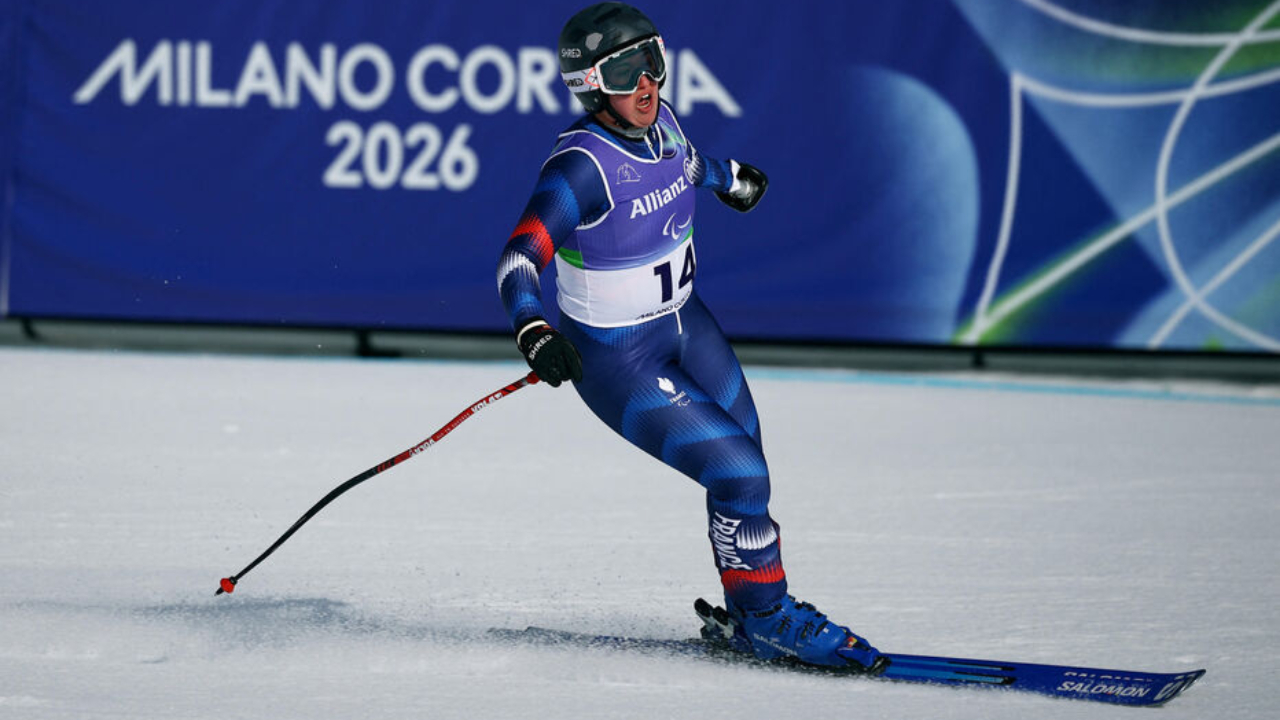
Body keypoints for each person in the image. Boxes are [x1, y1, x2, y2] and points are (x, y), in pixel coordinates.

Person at [496, 1, 882, 671]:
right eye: (624, 69)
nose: (646, 82)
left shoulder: (662, 123)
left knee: (747, 466)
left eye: (651, 60)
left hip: (687, 323)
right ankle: (767, 618)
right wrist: (534, 329)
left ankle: (748, 607)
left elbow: (686, 162)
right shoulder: (580, 168)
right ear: (591, 84)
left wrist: (732, 178)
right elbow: (518, 259)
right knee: (740, 472)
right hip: (619, 356)